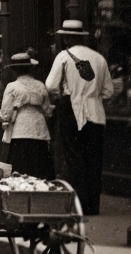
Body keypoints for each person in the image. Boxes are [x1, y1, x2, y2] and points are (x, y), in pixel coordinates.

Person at [45, 19, 114, 216]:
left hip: (72, 110)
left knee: (74, 157)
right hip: (96, 113)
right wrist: (92, 96)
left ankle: (78, 205)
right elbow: (109, 91)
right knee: (94, 159)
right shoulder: (99, 58)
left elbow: (50, 85)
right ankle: (93, 206)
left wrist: (69, 93)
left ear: (66, 38)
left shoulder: (63, 57)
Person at [0, 52, 55, 180]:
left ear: (14, 71)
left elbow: (6, 114)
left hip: (20, 130)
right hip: (39, 129)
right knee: (39, 165)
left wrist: (1, 116)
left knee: (21, 166)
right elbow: (48, 110)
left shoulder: (12, 86)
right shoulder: (40, 85)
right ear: (30, 68)